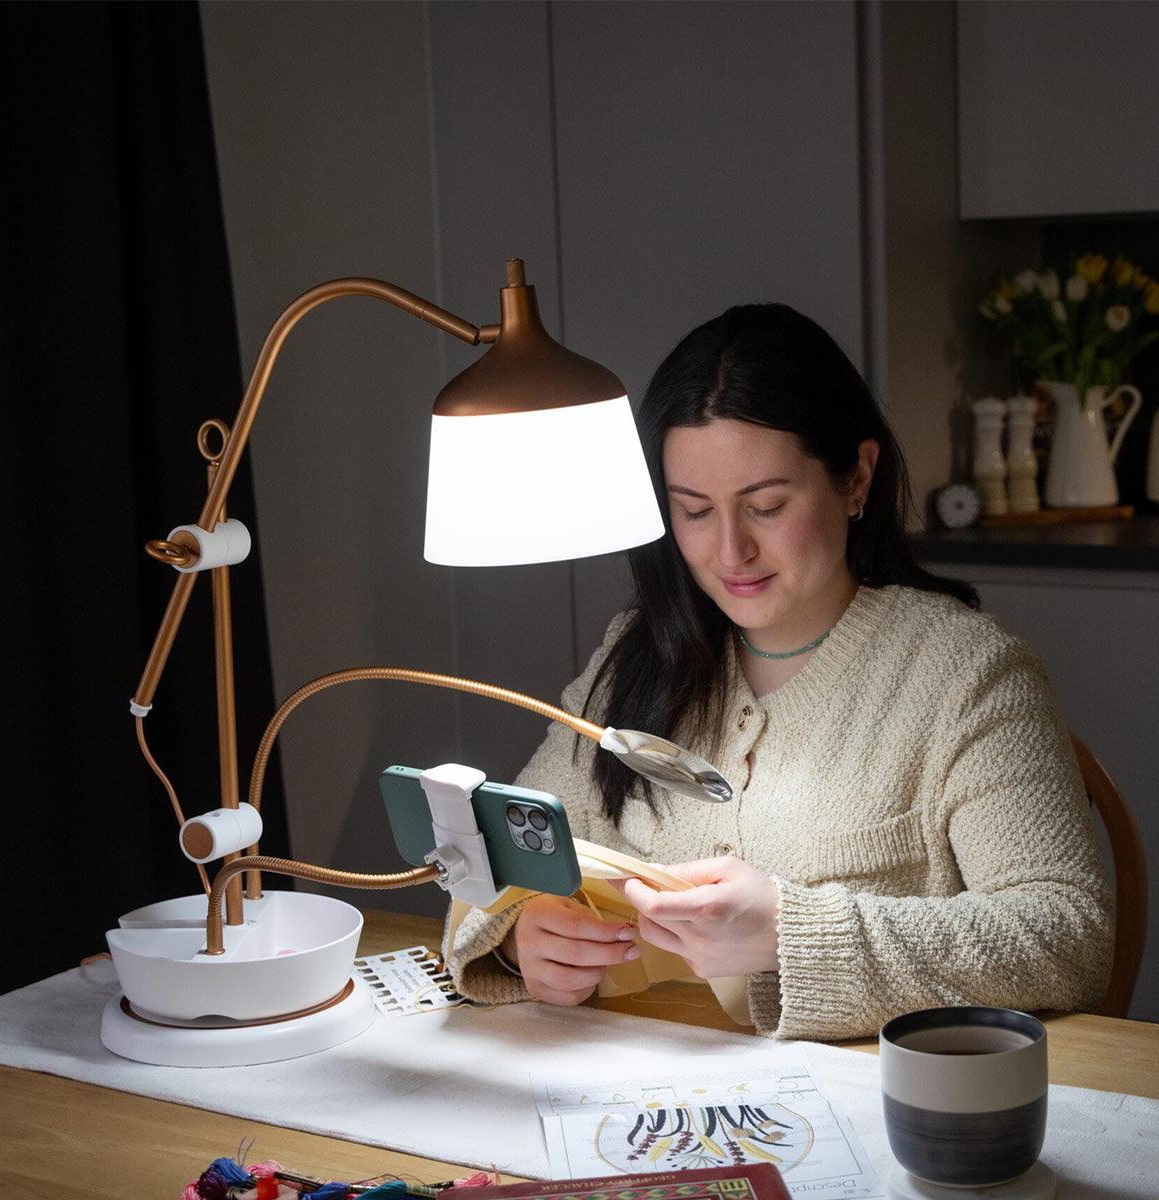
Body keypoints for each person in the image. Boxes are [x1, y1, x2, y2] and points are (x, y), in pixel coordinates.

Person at [444, 303, 1112, 1040]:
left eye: (765, 506)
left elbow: (1066, 934)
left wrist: (790, 937)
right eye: (694, 511)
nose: (731, 553)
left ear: (856, 478)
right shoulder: (637, 652)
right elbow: (492, 857)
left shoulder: (966, 675)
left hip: (861, 1113)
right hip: (631, 1097)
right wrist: (517, 937)